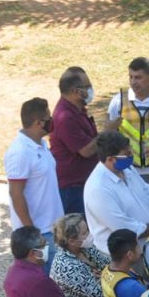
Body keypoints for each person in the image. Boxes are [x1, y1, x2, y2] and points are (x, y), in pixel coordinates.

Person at [5, 97, 63, 275]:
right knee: (47, 282)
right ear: (39, 123)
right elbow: (16, 194)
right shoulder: (20, 151)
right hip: (41, 233)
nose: (51, 121)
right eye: (48, 118)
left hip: (54, 228)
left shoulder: (41, 145)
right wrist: (32, 233)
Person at [83, 131, 149, 256]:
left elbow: (146, 190)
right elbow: (122, 226)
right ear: (110, 159)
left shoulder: (127, 169)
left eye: (130, 151)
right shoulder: (98, 188)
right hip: (123, 257)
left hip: (147, 244)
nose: (130, 155)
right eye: (126, 154)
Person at [50, 67, 99, 215]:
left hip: (83, 183)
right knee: (80, 234)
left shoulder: (77, 110)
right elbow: (86, 150)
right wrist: (108, 132)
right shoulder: (66, 117)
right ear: (76, 91)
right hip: (74, 189)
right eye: (87, 86)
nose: (91, 89)